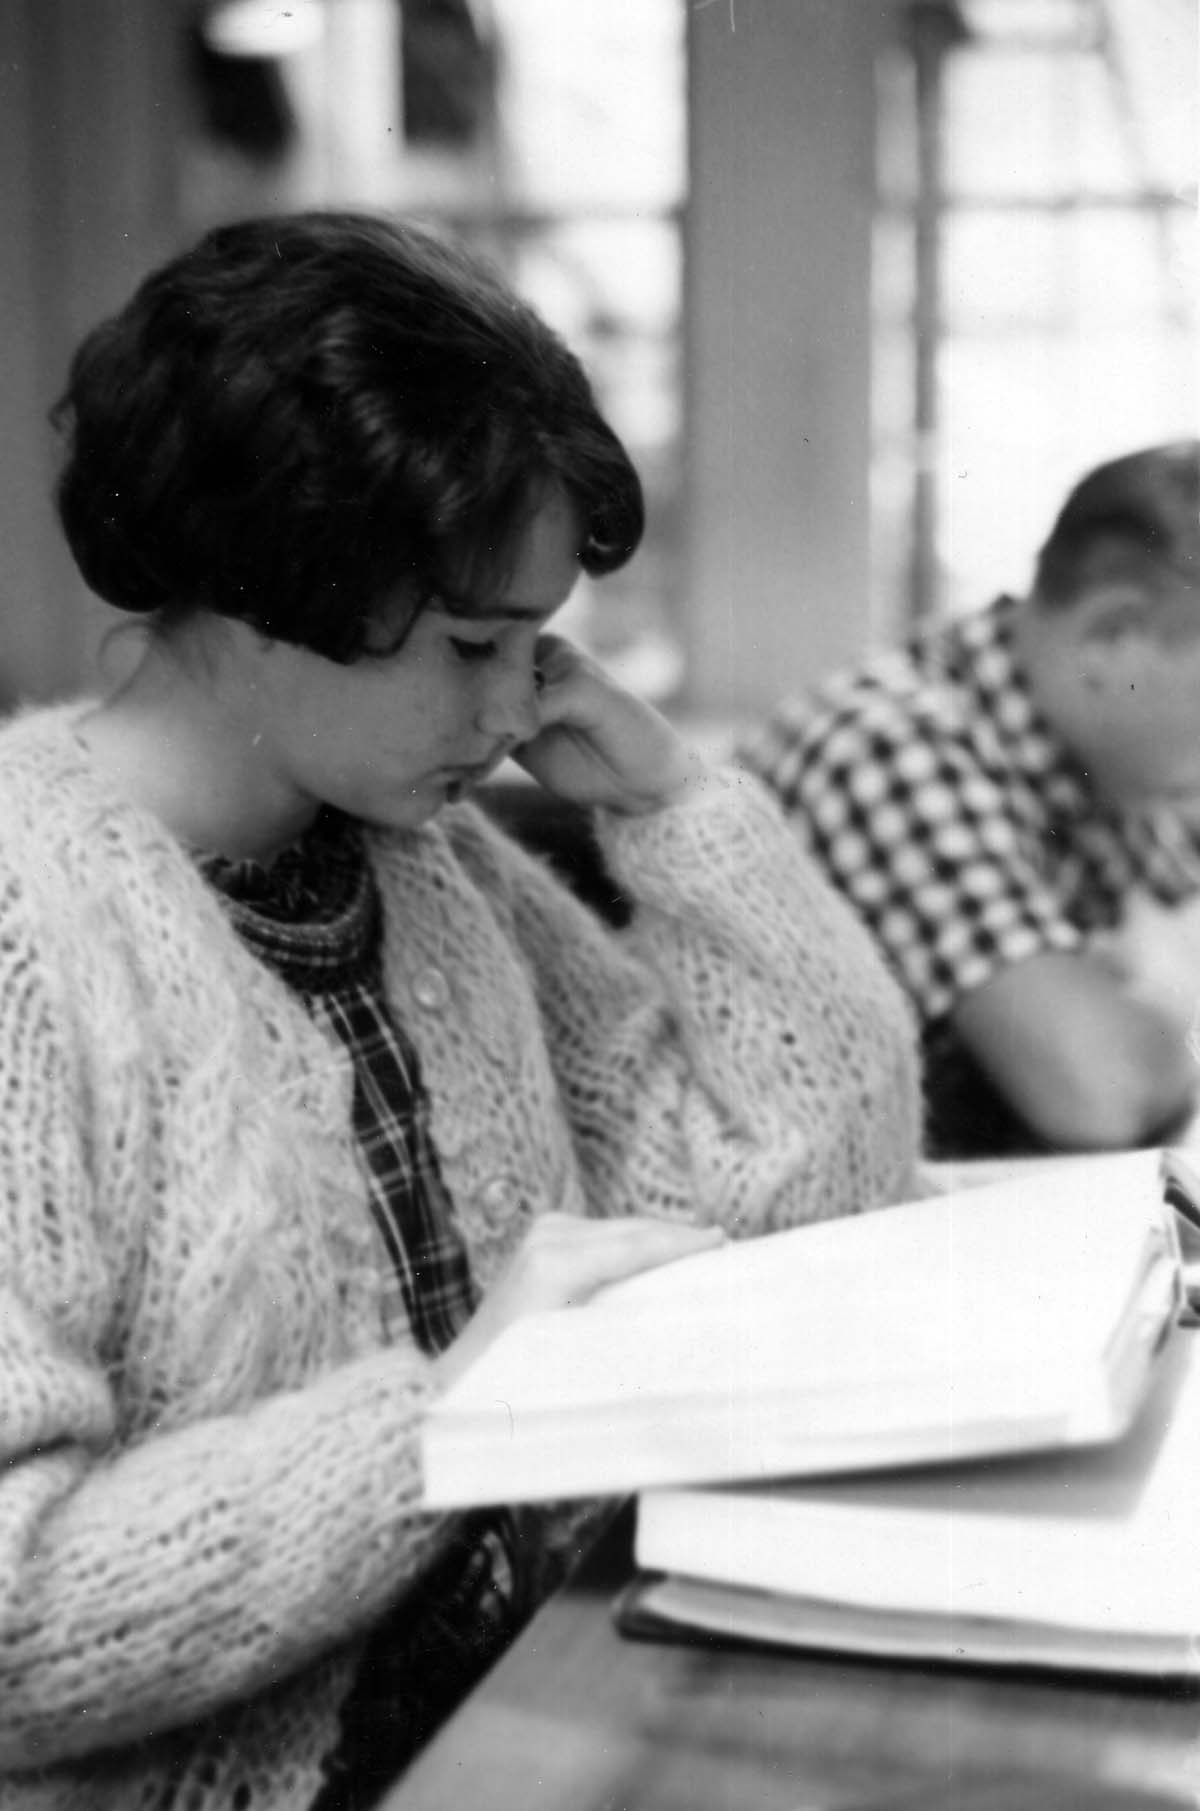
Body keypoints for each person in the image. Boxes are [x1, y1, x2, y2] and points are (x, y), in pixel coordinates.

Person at [0, 211, 920, 1810]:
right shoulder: (30, 930)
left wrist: (680, 809)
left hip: (540, 1704)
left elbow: (799, 1207)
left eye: (536, 642)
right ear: (266, 584)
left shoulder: (426, 857)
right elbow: (18, 1631)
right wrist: (454, 1417)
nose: (513, 713)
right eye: (471, 644)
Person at [738, 442, 1200, 1158]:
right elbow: (1100, 1090)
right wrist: (1166, 1015)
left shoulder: (1123, 762)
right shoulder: (888, 742)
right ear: (1112, 636)